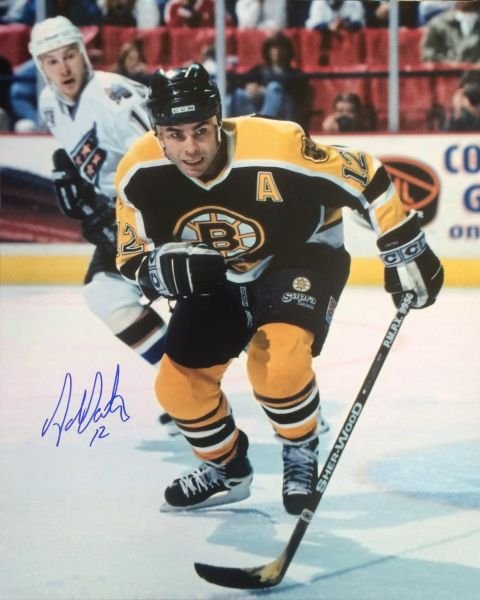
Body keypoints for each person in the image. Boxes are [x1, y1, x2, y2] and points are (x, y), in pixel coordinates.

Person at [114, 63, 444, 514]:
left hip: (300, 253)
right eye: (176, 134)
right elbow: (131, 255)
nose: (190, 147)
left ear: (218, 120)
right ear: (158, 132)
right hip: (218, 272)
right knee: (177, 388)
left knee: (280, 364)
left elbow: (364, 174)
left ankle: (300, 450)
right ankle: (226, 469)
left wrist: (404, 242)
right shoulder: (138, 173)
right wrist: (155, 272)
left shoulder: (276, 145)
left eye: (201, 131)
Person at [28, 16, 176, 433]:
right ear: (41, 66)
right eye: (52, 61)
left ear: (84, 53)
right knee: (105, 293)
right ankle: (183, 381)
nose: (63, 68)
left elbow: (168, 162)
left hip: (163, 209)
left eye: (70, 55)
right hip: (123, 211)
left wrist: (137, 221)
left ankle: (283, 392)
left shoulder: (114, 99)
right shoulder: (49, 104)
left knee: (212, 306)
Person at [227, 31, 312, 131]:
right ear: (267, 51)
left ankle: (264, 128)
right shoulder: (259, 71)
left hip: (286, 117)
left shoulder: (295, 74)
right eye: (273, 48)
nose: (277, 51)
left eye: (281, 48)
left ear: (288, 51)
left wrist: (265, 91)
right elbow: (239, 81)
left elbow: (299, 98)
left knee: (274, 88)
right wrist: (249, 87)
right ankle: (240, 128)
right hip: (260, 111)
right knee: (239, 94)